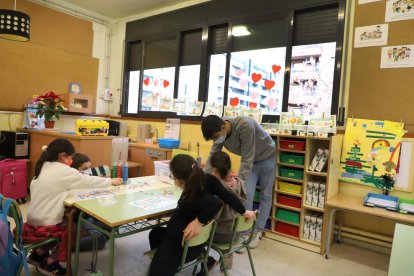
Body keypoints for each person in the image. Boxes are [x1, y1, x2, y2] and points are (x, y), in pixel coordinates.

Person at [23, 138, 122, 275]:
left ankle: (38, 253)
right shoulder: (62, 171)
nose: (70, 160)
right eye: (70, 157)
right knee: (77, 226)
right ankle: (52, 263)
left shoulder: (43, 166)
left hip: (33, 219)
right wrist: (111, 181)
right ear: (63, 156)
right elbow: (87, 181)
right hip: (44, 225)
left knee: (72, 221)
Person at [147, 154, 255, 276]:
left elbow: (217, 202)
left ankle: (168, 264)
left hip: (182, 245)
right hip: (194, 242)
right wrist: (245, 212)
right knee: (155, 233)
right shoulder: (208, 179)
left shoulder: (192, 196)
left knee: (158, 268)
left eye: (173, 176)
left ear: (179, 180)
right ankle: (202, 260)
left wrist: (198, 222)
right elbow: (228, 196)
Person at [202, 115, 276, 249]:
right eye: (213, 138)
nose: (215, 140)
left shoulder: (244, 126)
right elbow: (213, 155)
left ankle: (257, 231)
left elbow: (247, 159)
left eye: (215, 137)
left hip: (267, 157)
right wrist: (202, 180)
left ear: (223, 127)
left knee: (265, 194)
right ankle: (245, 232)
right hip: (252, 160)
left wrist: (236, 187)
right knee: (246, 195)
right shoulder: (219, 130)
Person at [209, 151, 247, 271]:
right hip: (237, 234)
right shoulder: (239, 182)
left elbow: (214, 217)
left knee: (198, 230)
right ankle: (226, 265)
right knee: (231, 223)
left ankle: (207, 261)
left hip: (221, 235)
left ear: (214, 170)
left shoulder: (219, 190)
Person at [70, 153, 109, 252]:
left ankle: (91, 234)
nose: (88, 171)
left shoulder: (90, 179)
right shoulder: (73, 181)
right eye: (84, 169)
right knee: (100, 241)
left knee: (109, 228)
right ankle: (67, 246)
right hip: (80, 216)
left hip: (89, 214)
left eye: (89, 167)